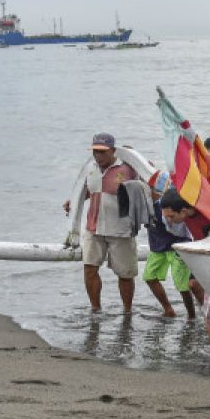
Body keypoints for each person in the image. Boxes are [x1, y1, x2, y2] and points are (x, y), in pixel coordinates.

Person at [63, 132, 138, 312]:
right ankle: (95, 309)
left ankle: (128, 311)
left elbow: (148, 188)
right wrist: (73, 203)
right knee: (89, 269)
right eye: (95, 151)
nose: (98, 155)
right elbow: (90, 190)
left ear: (113, 151)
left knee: (125, 274)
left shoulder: (128, 168)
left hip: (121, 230)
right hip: (93, 227)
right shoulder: (90, 168)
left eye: (102, 152)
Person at [142, 189, 197, 318]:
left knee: (182, 285)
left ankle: (191, 316)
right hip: (158, 244)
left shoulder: (174, 205)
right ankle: (168, 309)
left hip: (179, 245)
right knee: (149, 276)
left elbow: (187, 231)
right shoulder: (150, 205)